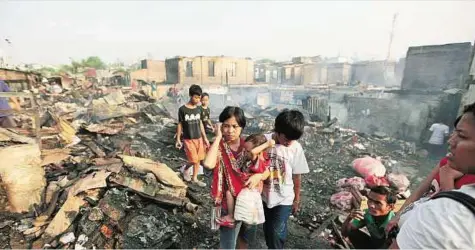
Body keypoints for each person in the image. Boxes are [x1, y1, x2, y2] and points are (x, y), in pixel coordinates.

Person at [390, 102, 475, 249]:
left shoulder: (465, 194)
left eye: (461, 135)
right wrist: (398, 215)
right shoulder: (447, 163)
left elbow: (448, 213)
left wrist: (447, 180)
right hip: (410, 229)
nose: (451, 141)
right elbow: (419, 191)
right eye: (455, 132)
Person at [203, 106, 270, 249]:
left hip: (248, 202)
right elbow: (208, 164)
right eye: (226, 126)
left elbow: (268, 170)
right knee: (228, 245)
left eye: (235, 126)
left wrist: (259, 176)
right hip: (228, 204)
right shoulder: (218, 146)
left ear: (242, 127)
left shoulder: (250, 145)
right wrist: (218, 137)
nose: (230, 130)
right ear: (220, 126)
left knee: (244, 240)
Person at [261, 109, 310, 249]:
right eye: (287, 138)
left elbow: (297, 174)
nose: (290, 142)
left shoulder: (295, 147)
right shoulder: (264, 141)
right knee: (268, 230)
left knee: (277, 232)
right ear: (277, 131)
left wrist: (296, 199)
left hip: (284, 198)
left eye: (294, 138)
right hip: (264, 196)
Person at [217, 133, 275, 227]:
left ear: (259, 151)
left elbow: (253, 152)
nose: (245, 152)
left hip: (248, 186)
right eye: (245, 149)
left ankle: (231, 216)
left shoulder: (258, 160)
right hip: (247, 185)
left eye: (247, 151)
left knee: (229, 192)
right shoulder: (249, 158)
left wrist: (267, 144)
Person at [176, 84, 210, 187]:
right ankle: (185, 169)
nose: (197, 99)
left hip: (198, 138)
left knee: (199, 159)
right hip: (188, 139)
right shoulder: (182, 109)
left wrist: (205, 138)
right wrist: (178, 139)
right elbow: (180, 124)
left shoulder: (199, 109)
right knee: (193, 160)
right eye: (195, 97)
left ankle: (195, 178)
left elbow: (200, 124)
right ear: (190, 95)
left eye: (199, 97)